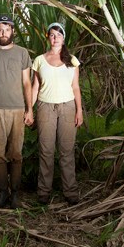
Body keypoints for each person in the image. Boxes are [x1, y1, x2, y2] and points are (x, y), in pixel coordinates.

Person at [0, 15, 34, 209]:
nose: (4, 33)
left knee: (16, 153)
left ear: (12, 31)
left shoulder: (22, 53)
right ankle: (2, 192)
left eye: (7, 29)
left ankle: (15, 194)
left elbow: (27, 82)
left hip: (17, 108)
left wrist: (29, 109)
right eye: (0, 30)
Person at [31, 22, 83, 205]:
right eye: (52, 35)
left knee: (66, 151)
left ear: (63, 37)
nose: (55, 38)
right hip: (45, 107)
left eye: (58, 34)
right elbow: (35, 87)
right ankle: (44, 191)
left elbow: (75, 87)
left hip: (68, 107)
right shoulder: (39, 60)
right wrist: (29, 110)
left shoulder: (72, 60)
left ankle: (70, 191)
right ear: (47, 37)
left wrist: (79, 110)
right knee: (46, 150)